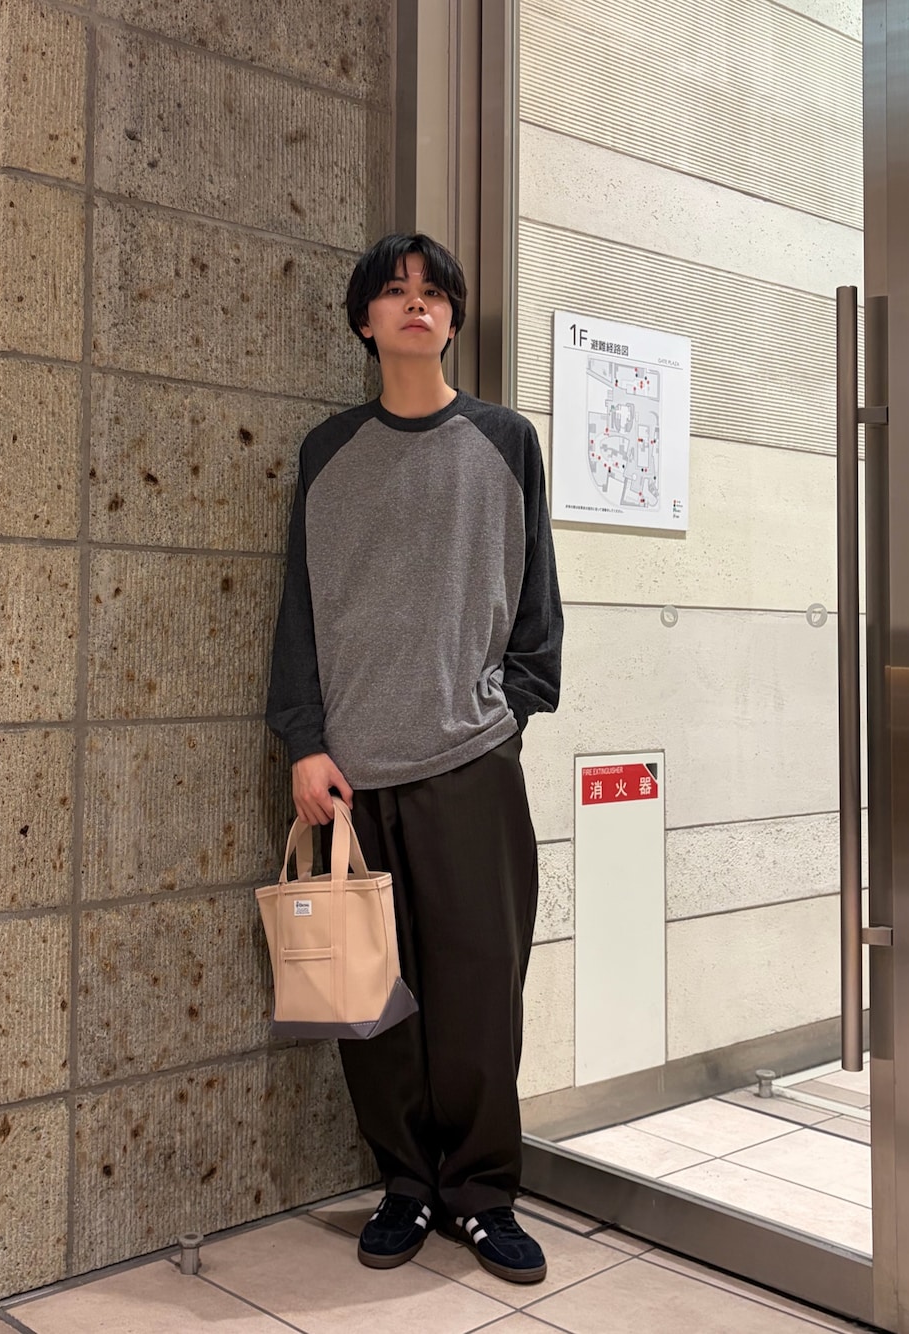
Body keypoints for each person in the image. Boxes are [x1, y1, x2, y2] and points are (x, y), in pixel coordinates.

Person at [265, 232, 563, 1285]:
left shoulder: (505, 440)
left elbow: (538, 605)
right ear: (365, 321)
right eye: (394, 292)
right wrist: (304, 740)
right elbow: (300, 610)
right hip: (351, 779)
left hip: (471, 763)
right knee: (373, 1001)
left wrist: (507, 712)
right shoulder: (327, 451)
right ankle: (405, 1184)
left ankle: (481, 1194)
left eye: (433, 292)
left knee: (481, 993)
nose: (415, 305)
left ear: (454, 317)